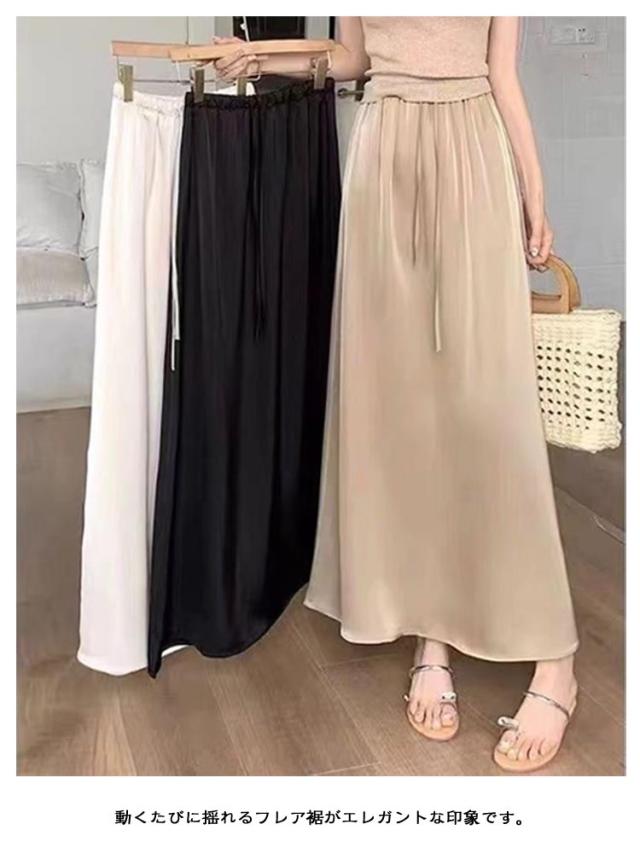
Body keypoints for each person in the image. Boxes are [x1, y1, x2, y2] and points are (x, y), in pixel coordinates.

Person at [212, 16, 580, 774]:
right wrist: (265, 56)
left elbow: (503, 75)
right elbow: (352, 58)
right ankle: (430, 635)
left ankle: (556, 654)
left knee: (491, 408)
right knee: (404, 409)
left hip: (472, 148)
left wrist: (535, 193)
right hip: (384, 157)